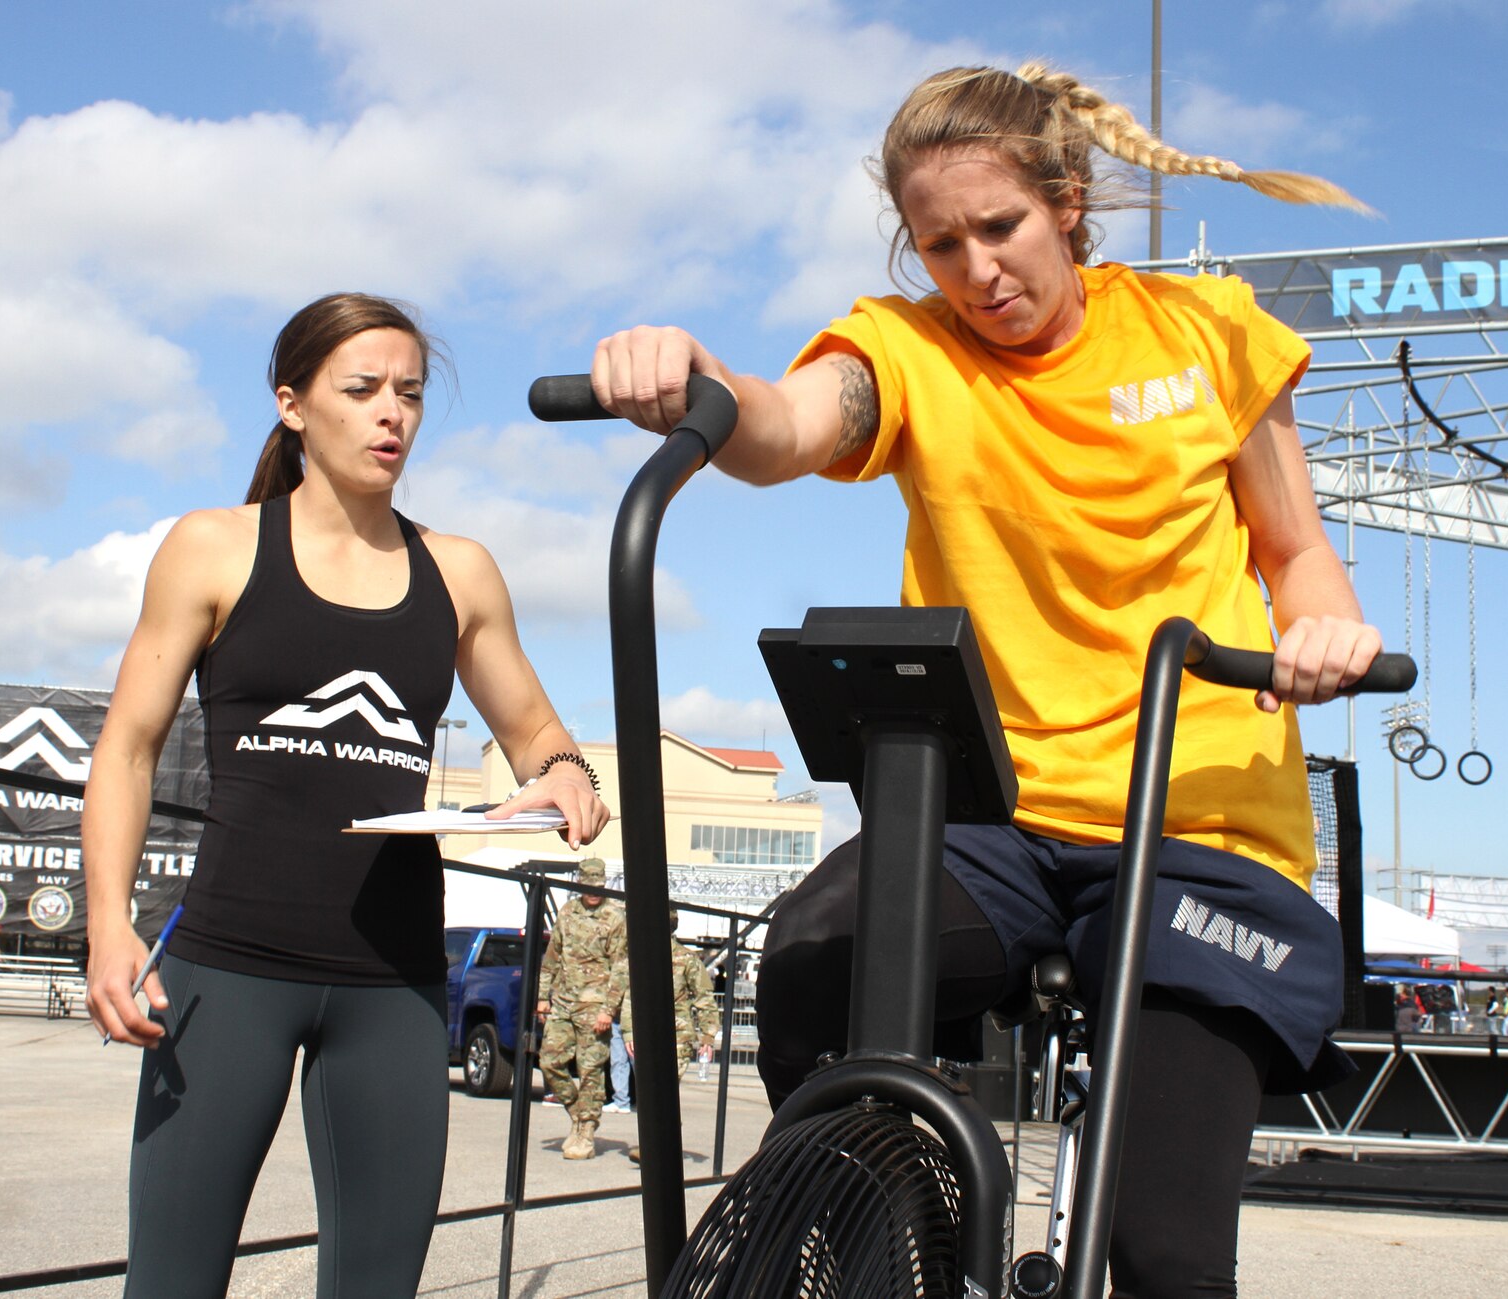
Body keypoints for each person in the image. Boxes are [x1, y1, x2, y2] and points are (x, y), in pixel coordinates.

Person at [591, 61, 1380, 1296]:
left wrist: (1325, 630)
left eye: (998, 228)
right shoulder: (908, 349)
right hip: (991, 817)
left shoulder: (1206, 331)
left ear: (1066, 200)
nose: (975, 272)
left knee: (1157, 1248)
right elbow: (787, 425)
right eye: (939, 244)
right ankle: (897, 1233)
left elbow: (1297, 557)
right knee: (810, 962)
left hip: (1193, 819)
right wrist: (699, 381)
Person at [83, 292, 610, 1299]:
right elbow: (127, 751)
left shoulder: (458, 572)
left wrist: (565, 782)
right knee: (171, 1282)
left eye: (407, 394)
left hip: (395, 984)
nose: (391, 416)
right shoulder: (214, 546)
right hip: (227, 970)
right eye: (361, 390)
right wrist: (109, 928)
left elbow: (543, 738)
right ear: (292, 405)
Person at [535, 856, 627, 1160]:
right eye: (588, 886)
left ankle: (586, 1130)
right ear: (580, 884)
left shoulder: (614, 918)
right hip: (563, 1001)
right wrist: (542, 996)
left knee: (590, 1070)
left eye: (598, 887)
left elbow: (621, 968)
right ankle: (577, 1112)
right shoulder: (568, 913)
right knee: (550, 1061)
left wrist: (608, 1009)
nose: (593, 892)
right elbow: (552, 957)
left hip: (594, 1005)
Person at [620, 908, 721, 1164]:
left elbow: (704, 999)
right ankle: (661, 1143)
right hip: (646, 1033)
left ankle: (655, 1148)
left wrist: (708, 1037)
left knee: (662, 1088)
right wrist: (629, 1030)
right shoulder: (639, 956)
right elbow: (631, 996)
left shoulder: (687, 960)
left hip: (678, 1035)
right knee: (652, 1090)